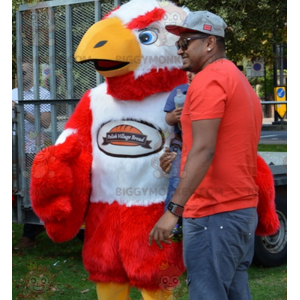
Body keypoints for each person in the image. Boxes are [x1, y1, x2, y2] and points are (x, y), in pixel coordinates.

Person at [149, 11, 263, 299]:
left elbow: (204, 149)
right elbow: (224, 145)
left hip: (215, 212)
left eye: (186, 42)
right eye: (178, 44)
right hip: (239, 211)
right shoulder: (237, 79)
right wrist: (181, 161)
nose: (180, 49)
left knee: (207, 292)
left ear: (210, 43)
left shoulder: (208, 80)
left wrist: (173, 211)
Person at [13, 61, 51, 249]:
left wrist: (21, 112)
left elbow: (45, 123)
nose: (20, 74)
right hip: (12, 146)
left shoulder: (42, 94)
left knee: (30, 190)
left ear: (33, 73)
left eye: (24, 71)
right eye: (18, 71)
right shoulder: (10, 93)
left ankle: (30, 233)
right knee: (15, 189)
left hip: (31, 148)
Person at [160, 71, 194, 241]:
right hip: (180, 146)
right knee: (175, 184)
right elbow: (167, 118)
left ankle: (191, 223)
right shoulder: (178, 91)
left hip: (199, 145)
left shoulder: (207, 90)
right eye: (187, 71)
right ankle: (173, 225)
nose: (189, 74)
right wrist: (173, 116)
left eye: (194, 71)